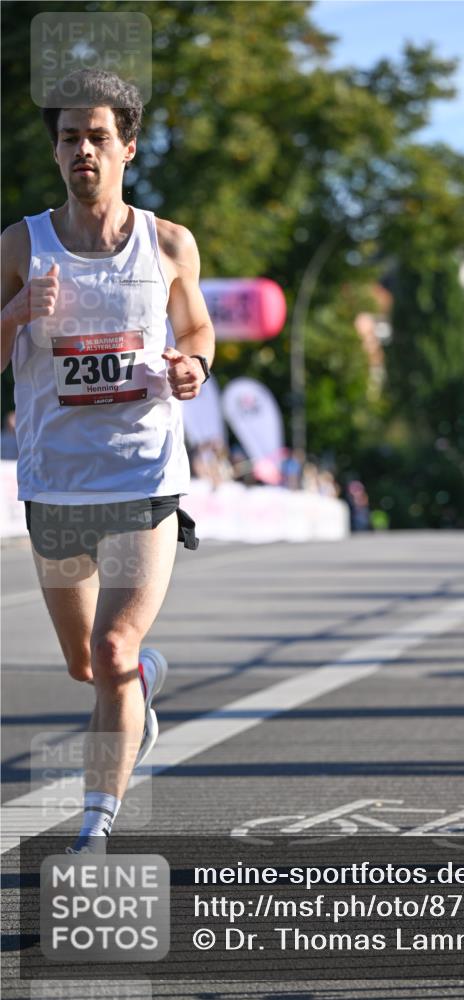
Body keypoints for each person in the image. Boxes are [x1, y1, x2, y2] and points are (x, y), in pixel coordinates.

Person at [0, 70, 215, 852]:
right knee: (87, 666)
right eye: (67, 137)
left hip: (143, 477)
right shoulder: (21, 245)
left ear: (128, 146)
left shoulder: (169, 243)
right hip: (54, 485)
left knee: (113, 647)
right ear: (55, 152)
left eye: (96, 135)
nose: (81, 148)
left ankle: (95, 825)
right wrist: (17, 312)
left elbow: (196, 331)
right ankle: (144, 686)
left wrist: (194, 367)